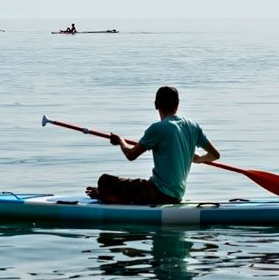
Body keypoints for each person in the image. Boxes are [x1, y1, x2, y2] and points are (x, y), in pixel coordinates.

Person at [87, 85, 220, 206]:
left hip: (158, 193)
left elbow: (130, 155)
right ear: (177, 105)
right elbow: (215, 155)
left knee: (104, 181)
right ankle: (116, 196)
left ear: (156, 105)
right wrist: (197, 158)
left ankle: (107, 196)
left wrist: (120, 141)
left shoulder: (157, 129)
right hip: (177, 195)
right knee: (131, 185)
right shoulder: (193, 126)